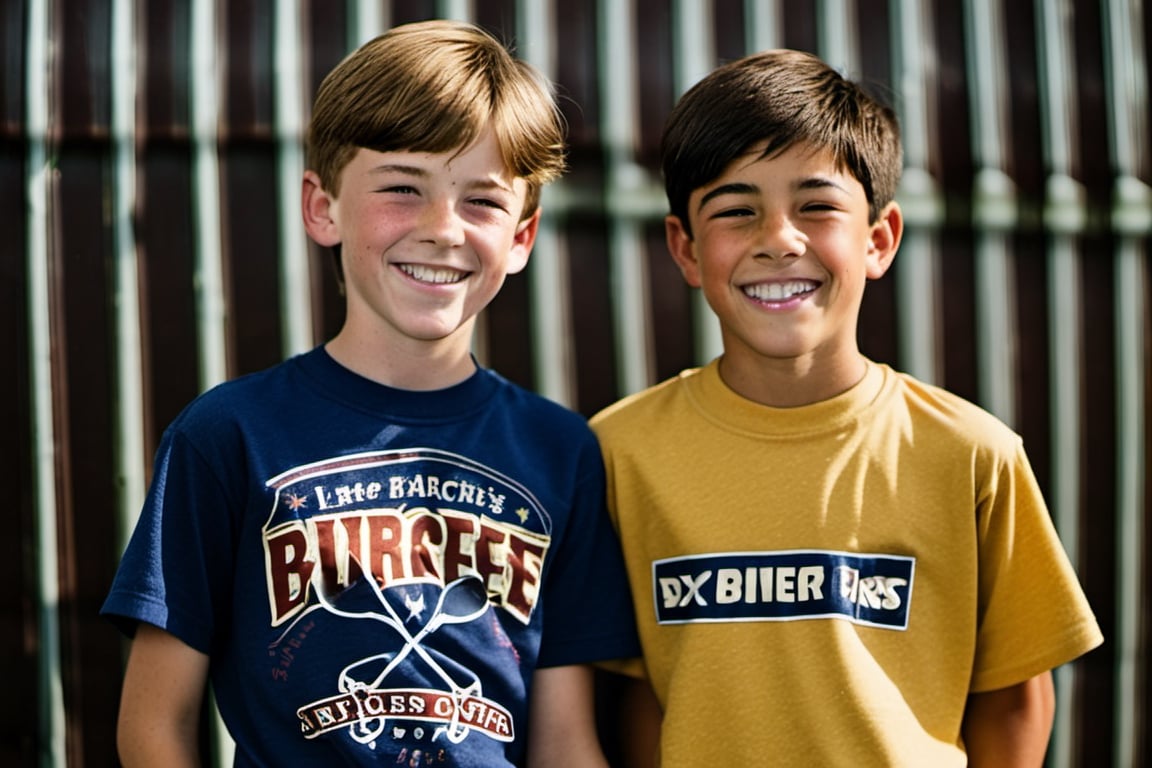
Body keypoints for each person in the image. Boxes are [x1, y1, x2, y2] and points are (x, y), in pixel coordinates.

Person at [102, 19, 638, 767]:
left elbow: (565, 738)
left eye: (482, 201)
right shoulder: (228, 434)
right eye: (401, 189)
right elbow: (154, 727)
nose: (442, 229)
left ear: (522, 236)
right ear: (322, 207)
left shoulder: (561, 450)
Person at [590, 49, 1103, 766]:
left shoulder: (971, 452)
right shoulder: (618, 452)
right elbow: (635, 697)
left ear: (879, 238)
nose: (779, 240)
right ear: (686, 249)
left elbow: (1016, 700)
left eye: (817, 206)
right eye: (737, 210)